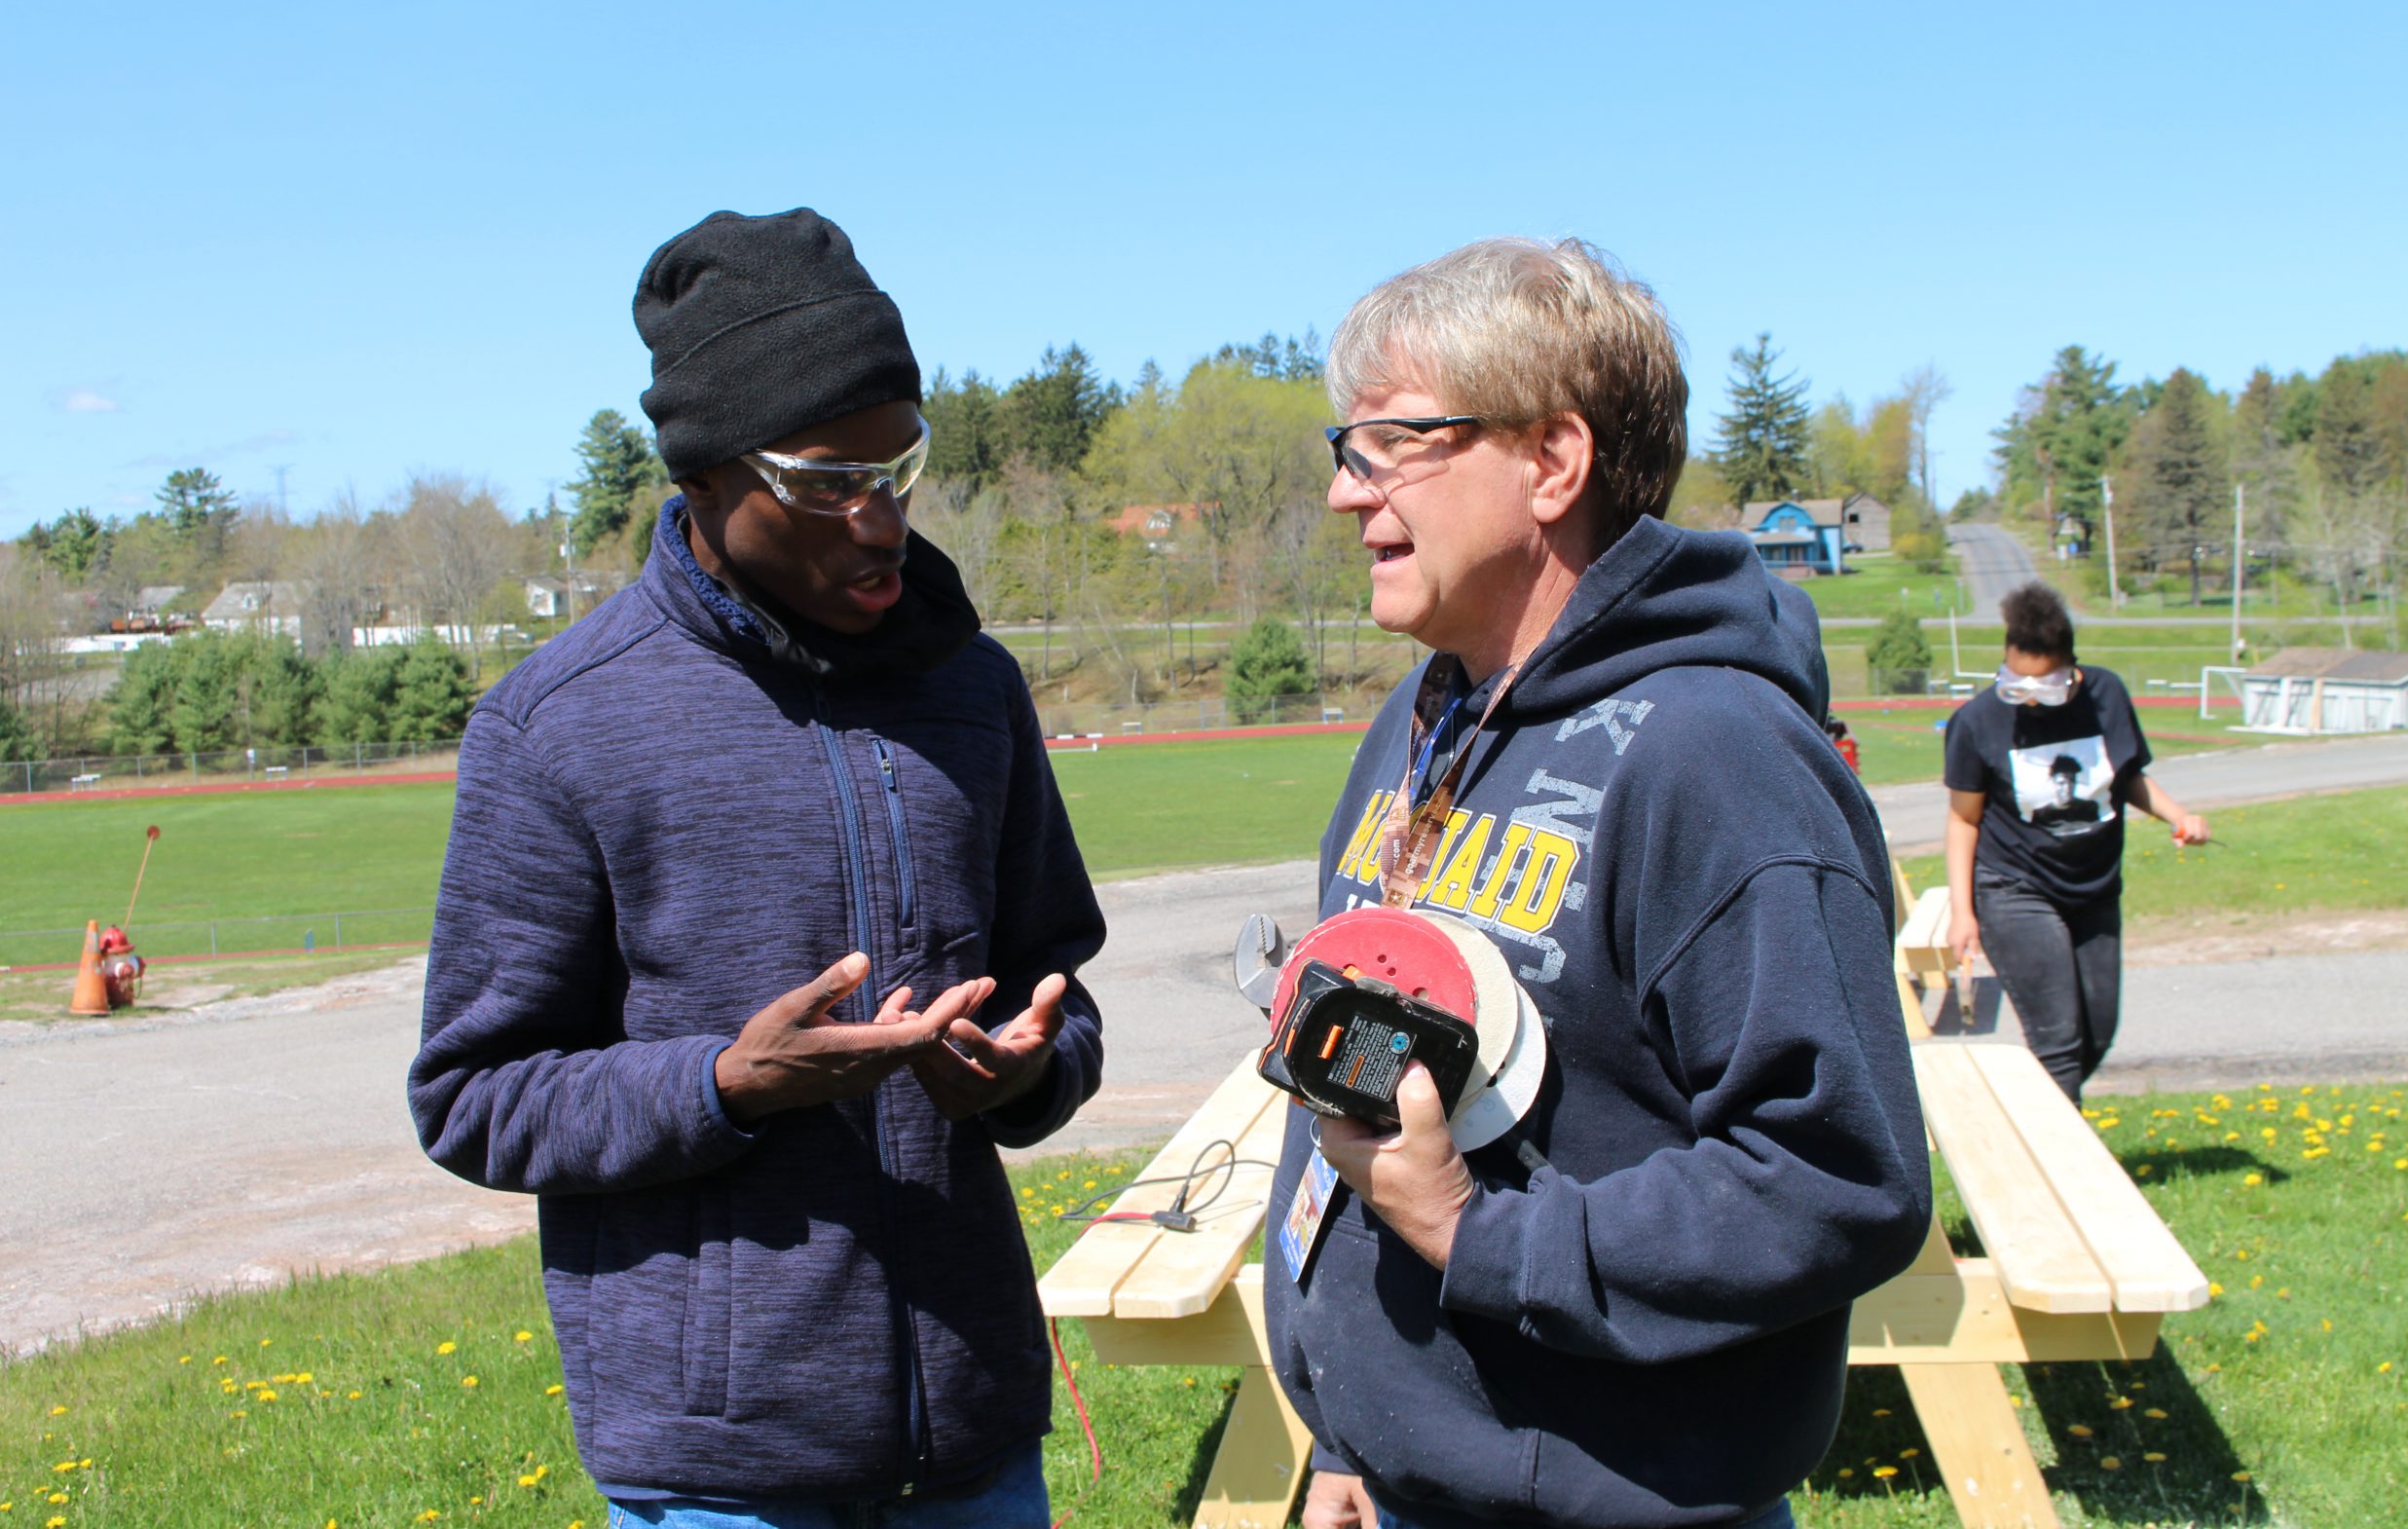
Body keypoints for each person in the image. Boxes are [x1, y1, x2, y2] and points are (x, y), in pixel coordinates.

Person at [409, 208, 1106, 1527]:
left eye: (899, 467)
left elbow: (1060, 993)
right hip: (724, 1476)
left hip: (977, 1445)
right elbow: (475, 1095)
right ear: (708, 474)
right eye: (827, 480)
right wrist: (728, 1084)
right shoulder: (559, 724)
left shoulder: (975, 691)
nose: (880, 518)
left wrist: (1029, 1070)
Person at [1265, 238, 1930, 1529]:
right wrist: (1351, 1420)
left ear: (1553, 462)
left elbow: (1838, 1176)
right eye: (1347, 447)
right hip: (1417, 1484)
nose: (1351, 492)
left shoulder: (1720, 755)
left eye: (1394, 443)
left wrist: (1476, 1232)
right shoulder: (1424, 711)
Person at [1942, 581, 2208, 1101]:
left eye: (2045, 687)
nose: (2029, 699)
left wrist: (2179, 816)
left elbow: (2126, 778)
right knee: (2058, 1043)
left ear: (2071, 667)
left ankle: (2027, 1122)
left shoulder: (2106, 696)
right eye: (2016, 684)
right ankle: (2059, 1172)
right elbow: (1962, 821)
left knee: (2098, 1032)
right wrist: (1962, 912)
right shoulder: (1977, 722)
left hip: (2094, 888)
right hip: (2014, 889)